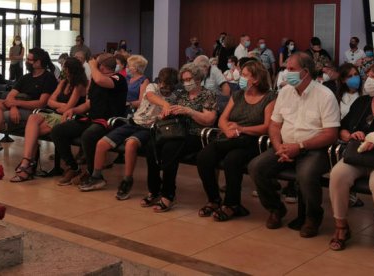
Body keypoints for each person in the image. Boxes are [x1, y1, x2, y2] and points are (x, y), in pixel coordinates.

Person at [248, 52, 340, 238]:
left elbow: (331, 134)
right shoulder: (285, 92)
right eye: (286, 68)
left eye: (291, 69)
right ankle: (276, 209)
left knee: (305, 174)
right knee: (256, 167)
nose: (286, 72)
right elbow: (274, 124)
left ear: (305, 72)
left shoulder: (324, 95)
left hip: (313, 149)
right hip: (284, 146)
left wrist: (300, 146)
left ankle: (313, 217)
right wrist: (278, 146)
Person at [77, 67, 178, 196]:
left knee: (130, 144)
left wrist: (167, 111)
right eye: (162, 84)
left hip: (149, 129)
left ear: (173, 85)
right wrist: (165, 104)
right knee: (102, 143)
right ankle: (96, 177)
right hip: (133, 122)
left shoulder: (174, 98)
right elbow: (151, 97)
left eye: (168, 86)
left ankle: (127, 180)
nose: (164, 88)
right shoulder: (152, 87)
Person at [197, 60, 275, 221]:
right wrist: (228, 130)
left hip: (252, 140)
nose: (241, 78)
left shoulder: (269, 98)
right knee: (204, 157)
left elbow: (267, 126)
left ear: (256, 79)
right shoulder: (238, 95)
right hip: (230, 138)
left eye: (245, 75)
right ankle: (214, 199)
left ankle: (232, 205)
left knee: (232, 160)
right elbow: (222, 120)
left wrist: (241, 129)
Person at [329, 62, 374, 258]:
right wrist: (350, 136)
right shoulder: (361, 103)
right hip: (358, 155)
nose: (368, 80)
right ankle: (341, 226)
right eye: (368, 75)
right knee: (337, 175)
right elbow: (343, 128)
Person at [143, 63, 217, 212]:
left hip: (196, 135)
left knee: (170, 149)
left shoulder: (207, 95)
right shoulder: (181, 94)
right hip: (177, 131)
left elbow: (209, 120)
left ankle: (168, 195)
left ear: (198, 79)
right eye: (184, 80)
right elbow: (170, 108)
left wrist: (190, 111)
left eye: (189, 79)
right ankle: (154, 189)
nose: (186, 83)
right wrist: (166, 113)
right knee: (151, 147)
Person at [0, 48, 58, 171]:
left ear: (38, 62)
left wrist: (16, 104)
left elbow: (41, 103)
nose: (26, 62)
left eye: (29, 60)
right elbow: (10, 96)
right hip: (17, 107)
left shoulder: (48, 78)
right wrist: (13, 106)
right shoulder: (25, 77)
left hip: (33, 111)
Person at [51, 53, 127, 185]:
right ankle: (73, 167)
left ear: (100, 66)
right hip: (92, 118)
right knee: (58, 131)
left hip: (110, 121)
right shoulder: (95, 80)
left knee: (88, 135)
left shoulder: (118, 78)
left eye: (96, 64)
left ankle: (94, 174)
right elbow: (88, 104)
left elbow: (100, 80)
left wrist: (92, 65)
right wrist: (73, 110)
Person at [10, 57, 88, 182]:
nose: (63, 69)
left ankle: (27, 166)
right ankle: (28, 163)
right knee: (33, 118)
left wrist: (61, 106)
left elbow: (68, 108)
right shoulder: (63, 82)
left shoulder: (79, 85)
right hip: (55, 114)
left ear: (70, 70)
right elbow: (50, 101)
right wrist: (61, 106)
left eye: (65, 68)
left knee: (32, 133)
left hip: (68, 117)